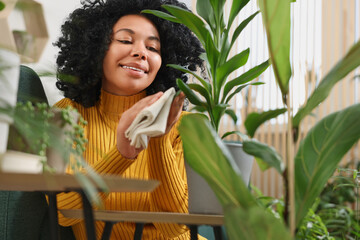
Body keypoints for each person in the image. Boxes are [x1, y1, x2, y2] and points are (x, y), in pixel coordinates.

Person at [53, 0, 204, 239]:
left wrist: (159, 140)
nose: (141, 53)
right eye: (125, 40)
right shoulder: (65, 115)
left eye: (153, 48)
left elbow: (176, 227)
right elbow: (62, 210)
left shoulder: (183, 126)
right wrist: (122, 153)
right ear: (95, 48)